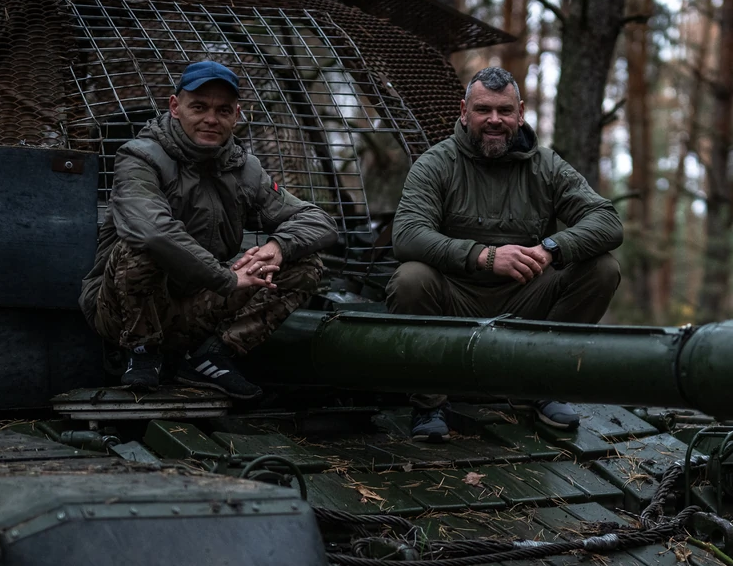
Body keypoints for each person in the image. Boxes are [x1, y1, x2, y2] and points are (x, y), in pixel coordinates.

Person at [387, 66, 623, 441]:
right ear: (464, 112)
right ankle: (429, 404)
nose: (494, 120)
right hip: (455, 302)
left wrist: (551, 249)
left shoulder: (546, 166)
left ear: (520, 112)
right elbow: (408, 235)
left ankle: (542, 387)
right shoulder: (435, 164)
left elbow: (607, 221)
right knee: (411, 278)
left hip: (526, 299)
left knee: (602, 269)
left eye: (504, 110)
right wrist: (483, 255)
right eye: (483, 110)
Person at [80, 60, 338, 400]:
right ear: (175, 107)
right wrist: (226, 278)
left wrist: (277, 246)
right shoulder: (140, 158)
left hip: (197, 306)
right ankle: (142, 353)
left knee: (304, 262)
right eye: (199, 107)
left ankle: (213, 355)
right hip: (122, 310)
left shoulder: (245, 169)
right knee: (140, 248)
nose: (211, 119)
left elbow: (317, 219)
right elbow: (152, 232)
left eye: (223, 110)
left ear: (236, 115)